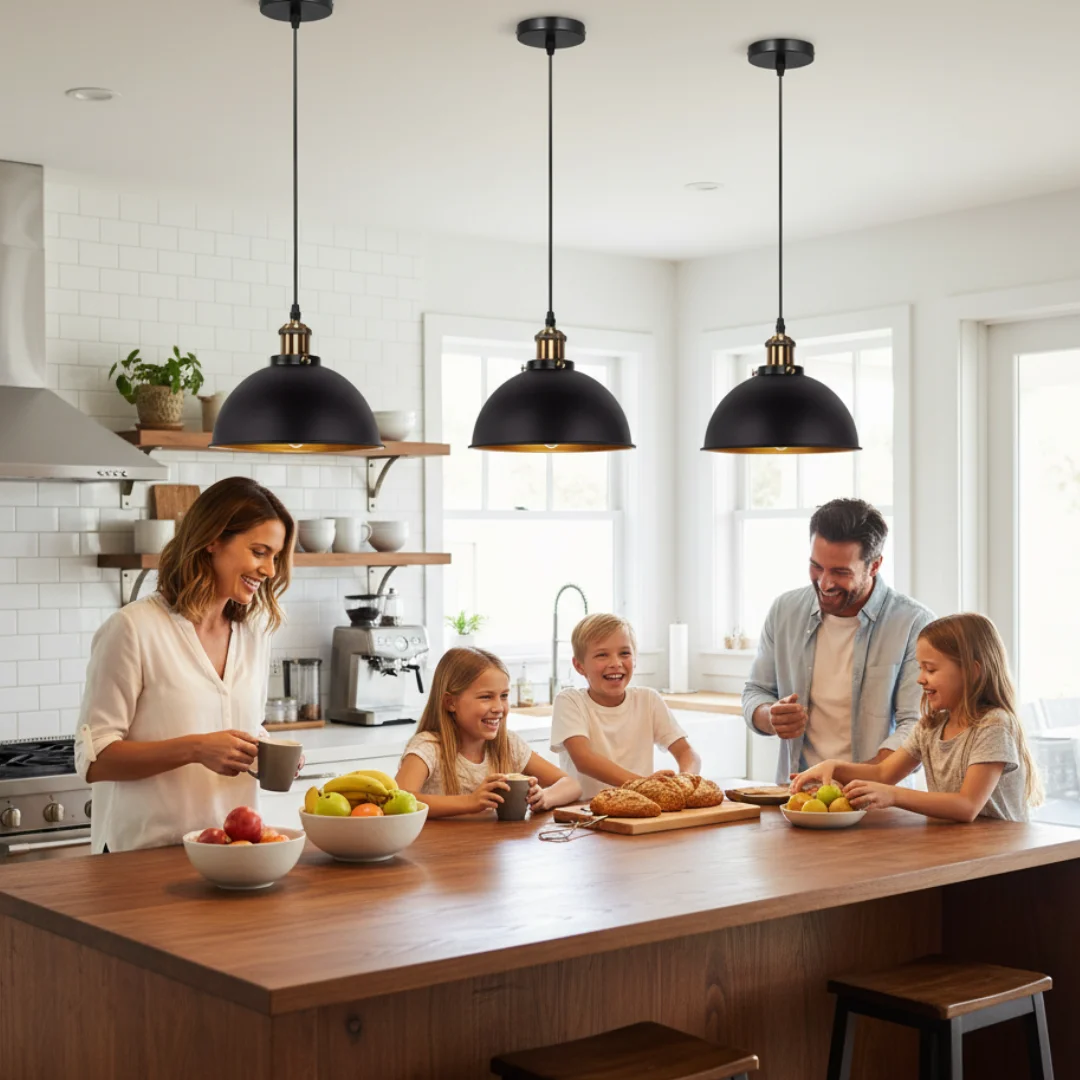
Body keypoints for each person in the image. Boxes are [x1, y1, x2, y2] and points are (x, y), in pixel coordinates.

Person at [74, 477, 295, 853]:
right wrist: (196, 749)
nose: (270, 570)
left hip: (233, 852)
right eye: (259, 552)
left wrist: (267, 750)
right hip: (143, 856)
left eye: (275, 556)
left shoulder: (255, 633)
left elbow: (241, 724)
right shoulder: (133, 629)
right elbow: (95, 760)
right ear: (213, 540)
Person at [743, 499, 934, 784]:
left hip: (880, 805)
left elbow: (916, 725)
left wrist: (854, 778)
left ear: (875, 565)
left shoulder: (914, 624)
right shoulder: (784, 611)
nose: (824, 583)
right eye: (816, 567)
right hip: (797, 801)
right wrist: (770, 716)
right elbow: (755, 692)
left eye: (840, 572)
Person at [791, 614, 1042, 822]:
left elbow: (966, 806)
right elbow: (882, 774)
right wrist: (834, 766)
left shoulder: (993, 724)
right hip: (960, 850)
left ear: (973, 672)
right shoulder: (931, 726)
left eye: (930, 669)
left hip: (1004, 861)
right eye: (920, 668)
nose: (920, 678)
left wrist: (894, 796)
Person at [396, 647, 581, 818]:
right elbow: (399, 799)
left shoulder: (508, 744)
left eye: (504, 696)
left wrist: (545, 797)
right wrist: (469, 802)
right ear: (450, 702)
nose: (499, 707)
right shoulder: (429, 747)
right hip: (438, 851)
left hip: (490, 849)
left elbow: (572, 785)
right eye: (486, 697)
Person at [550, 614, 702, 801]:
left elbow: (687, 752)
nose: (615, 663)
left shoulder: (648, 700)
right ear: (579, 666)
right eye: (602, 655)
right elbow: (584, 760)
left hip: (641, 810)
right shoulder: (570, 701)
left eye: (624, 653)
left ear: (635, 658)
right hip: (585, 814)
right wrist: (645, 786)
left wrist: (685, 780)